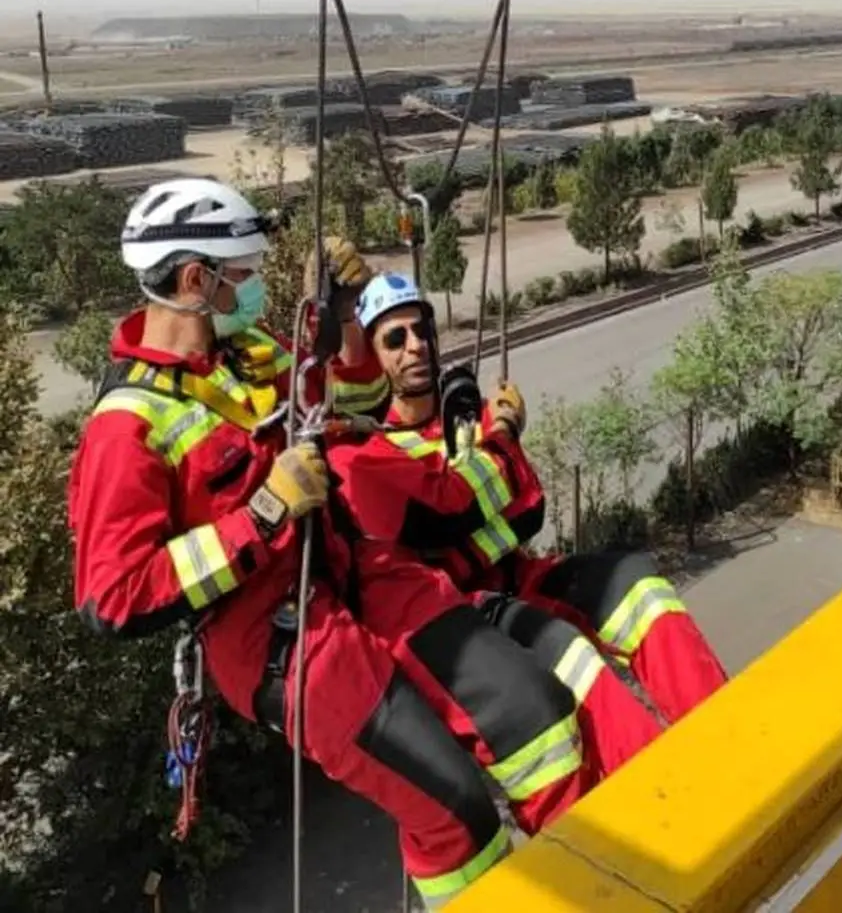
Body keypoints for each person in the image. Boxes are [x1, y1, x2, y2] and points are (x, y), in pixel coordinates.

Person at [68, 179, 595, 909]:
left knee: (533, 706)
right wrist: (261, 511)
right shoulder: (124, 429)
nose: (250, 290)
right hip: (281, 637)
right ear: (196, 280)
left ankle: (600, 876)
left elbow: (348, 397)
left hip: (353, 568)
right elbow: (113, 595)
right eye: (243, 276)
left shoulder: (242, 350)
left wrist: (344, 315)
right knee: (454, 810)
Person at [330, 271, 728, 739]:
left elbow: (528, 509)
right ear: (374, 358)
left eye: (422, 331)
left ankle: (721, 730)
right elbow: (442, 525)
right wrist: (496, 456)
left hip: (519, 576)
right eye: (395, 338)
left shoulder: (466, 415)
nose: (415, 346)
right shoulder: (376, 453)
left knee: (637, 584)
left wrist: (474, 516)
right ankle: (646, 788)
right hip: (462, 607)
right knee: (571, 657)